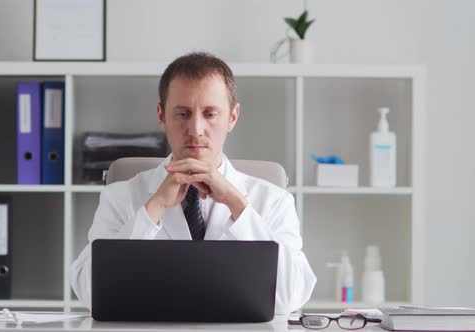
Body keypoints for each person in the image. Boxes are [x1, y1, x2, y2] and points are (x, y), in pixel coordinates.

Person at [69, 52, 316, 314]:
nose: (196, 130)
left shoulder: (273, 200)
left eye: (210, 114)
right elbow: (90, 294)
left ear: (232, 118)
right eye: (183, 114)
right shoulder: (120, 197)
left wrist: (237, 205)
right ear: (162, 116)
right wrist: (154, 208)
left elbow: (291, 296)